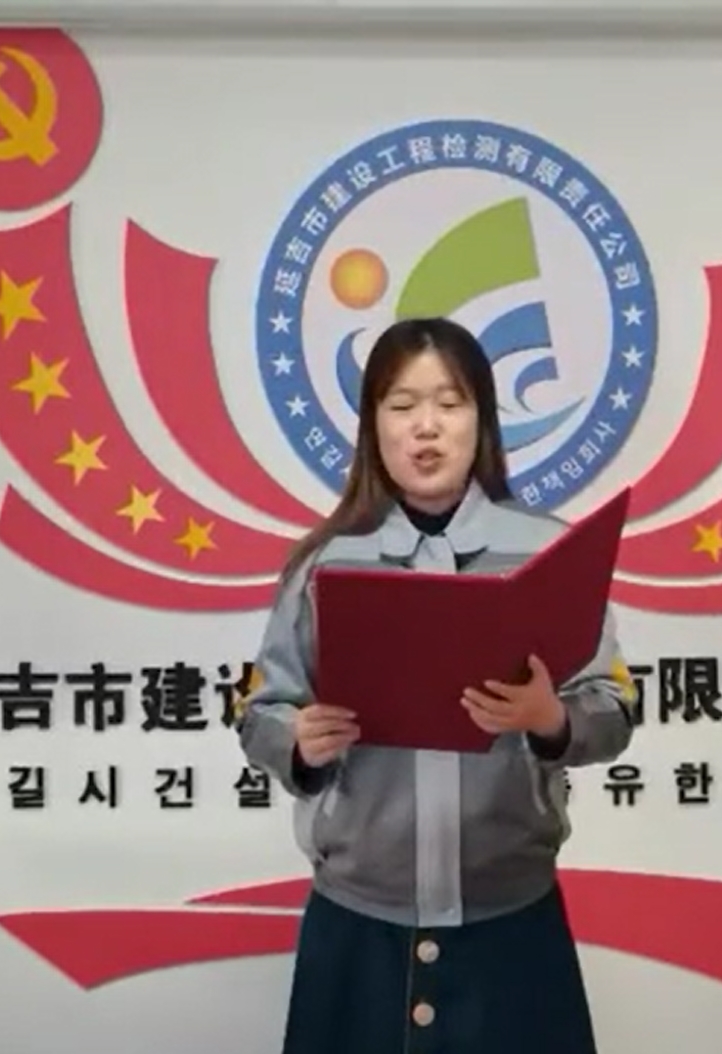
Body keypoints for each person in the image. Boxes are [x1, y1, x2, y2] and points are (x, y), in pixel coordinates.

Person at [235, 316, 639, 1054]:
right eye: (402, 405)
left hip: (512, 922)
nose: (426, 427)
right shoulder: (327, 563)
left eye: (450, 403)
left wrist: (549, 717)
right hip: (359, 924)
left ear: (481, 420)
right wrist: (298, 741)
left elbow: (612, 709)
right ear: (373, 426)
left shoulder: (548, 553)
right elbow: (261, 710)